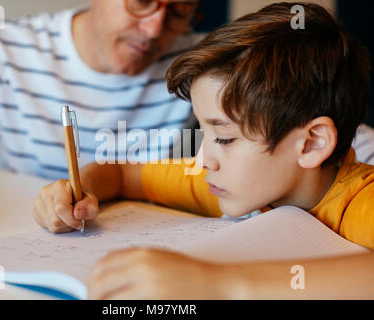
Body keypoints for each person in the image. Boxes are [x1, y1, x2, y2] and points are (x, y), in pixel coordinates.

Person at [34, 2, 374, 299]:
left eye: (225, 139)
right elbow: (122, 173)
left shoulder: (362, 201)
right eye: (203, 131)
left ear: (312, 143)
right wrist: (78, 189)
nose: (202, 159)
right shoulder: (232, 183)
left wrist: (219, 285)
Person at [0, 0, 204, 238]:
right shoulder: (1, 47)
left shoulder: (204, 65)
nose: (154, 29)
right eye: (142, 1)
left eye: (180, 10)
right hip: (22, 239)